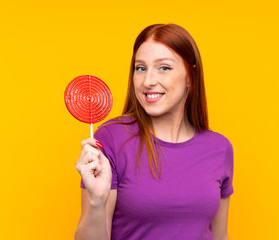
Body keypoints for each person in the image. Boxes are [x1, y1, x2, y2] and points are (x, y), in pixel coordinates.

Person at [74, 23, 234, 240]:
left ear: (190, 76)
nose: (148, 81)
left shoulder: (219, 148)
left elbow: (220, 236)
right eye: (140, 68)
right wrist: (96, 201)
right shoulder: (110, 139)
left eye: (164, 67)